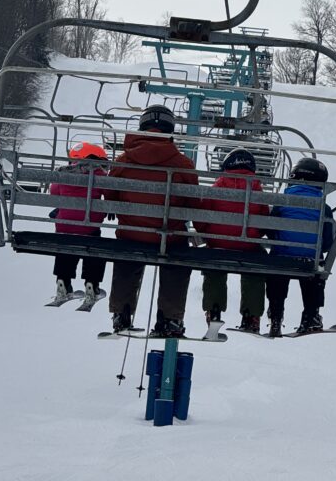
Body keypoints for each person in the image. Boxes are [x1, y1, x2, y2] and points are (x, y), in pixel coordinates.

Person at [105, 105, 199, 336]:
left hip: (130, 234)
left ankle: (122, 314)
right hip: (168, 236)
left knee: (126, 252)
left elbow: (110, 193)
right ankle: (170, 319)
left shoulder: (124, 160)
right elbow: (193, 202)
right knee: (177, 260)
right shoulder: (182, 164)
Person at [195, 147, 269, 333]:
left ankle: (214, 310)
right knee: (257, 262)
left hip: (218, 243)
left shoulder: (217, 187)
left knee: (214, 262)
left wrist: (207, 234)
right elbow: (265, 220)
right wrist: (253, 235)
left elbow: (201, 219)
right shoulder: (257, 190)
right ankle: (251, 316)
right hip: (248, 246)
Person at [265, 157, 336, 337]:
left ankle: (275, 315)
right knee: (315, 270)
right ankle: (311, 315)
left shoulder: (282, 201)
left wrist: (279, 241)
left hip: (281, 258)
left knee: (277, 266)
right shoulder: (324, 208)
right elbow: (328, 241)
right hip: (309, 260)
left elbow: (270, 229)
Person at [49, 143, 108, 305]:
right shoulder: (98, 174)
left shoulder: (63, 173)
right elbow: (110, 192)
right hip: (88, 227)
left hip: (64, 227)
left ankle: (63, 282)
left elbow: (54, 193)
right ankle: (92, 284)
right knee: (95, 246)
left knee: (66, 245)